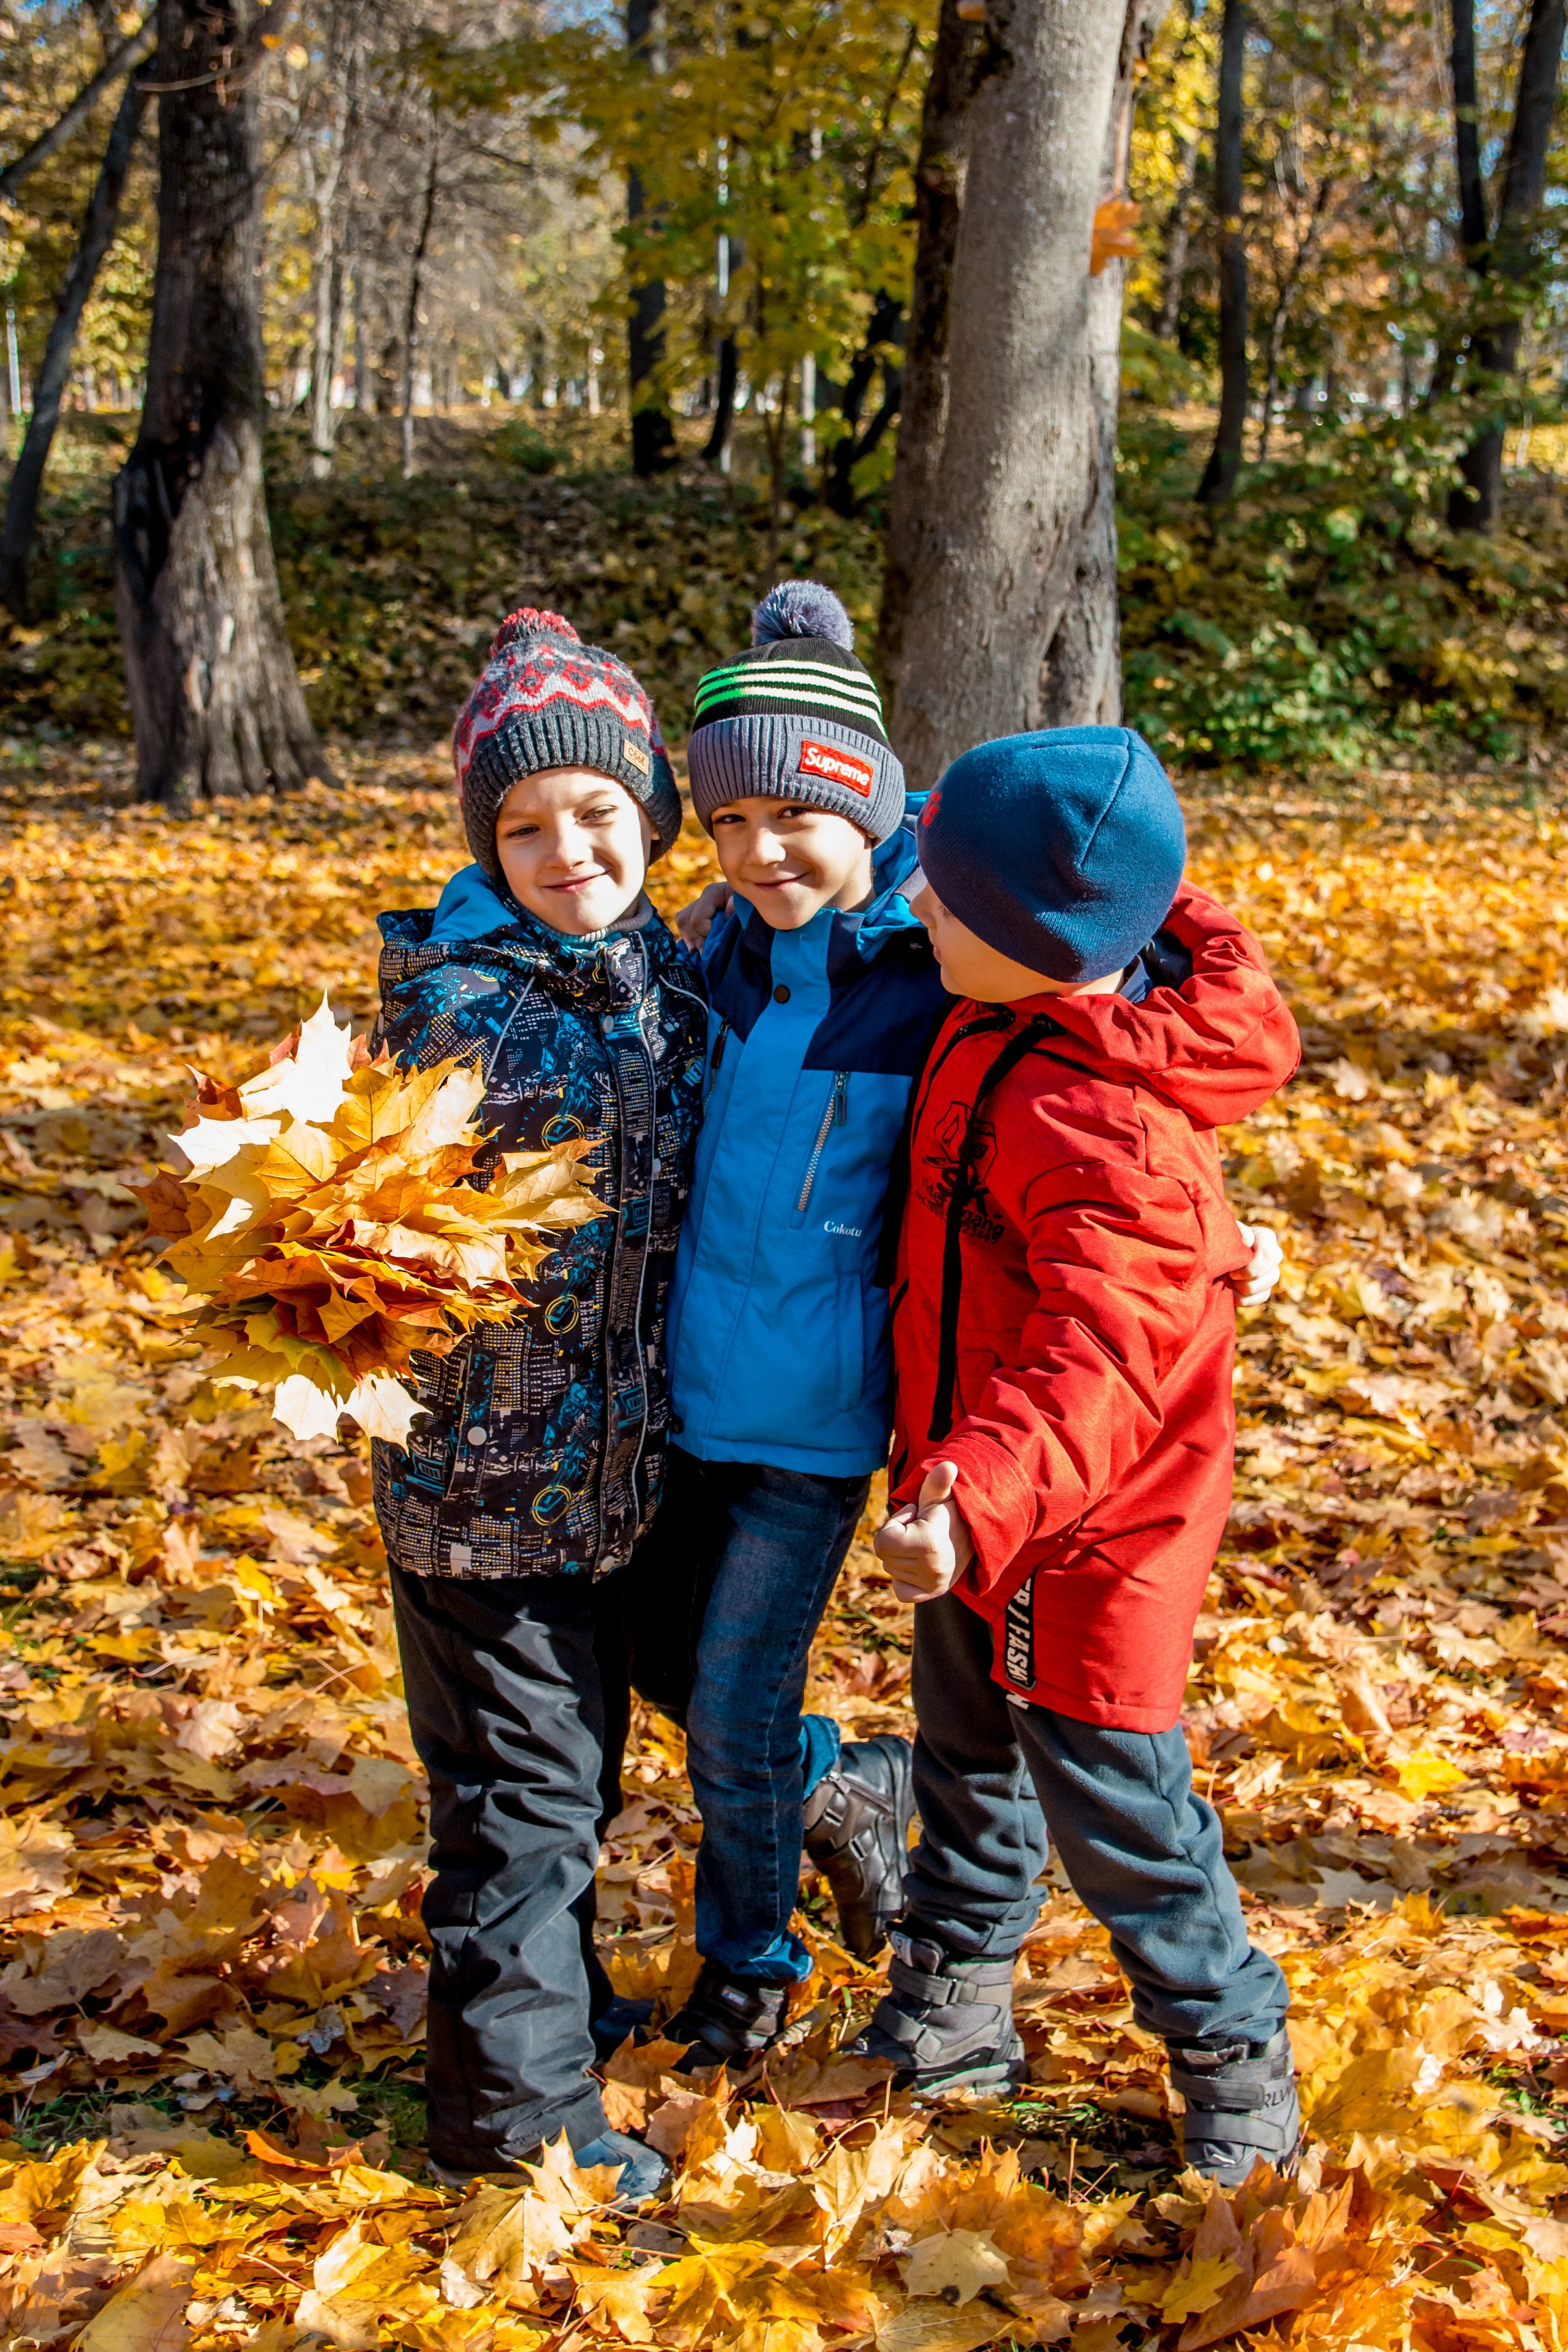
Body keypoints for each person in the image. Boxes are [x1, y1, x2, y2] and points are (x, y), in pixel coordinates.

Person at [853, 726, 1305, 2186]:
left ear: (1035, 939)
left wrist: (975, 1503)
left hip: (1082, 1534)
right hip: (971, 1494)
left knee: (1119, 1815)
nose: (913, 900)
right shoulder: (1009, 1008)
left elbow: (1098, 1361)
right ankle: (952, 2001)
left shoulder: (1105, 1126)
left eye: (942, 889)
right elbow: (1116, 886)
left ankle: (1234, 2063)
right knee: (963, 1761)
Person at [370, 609, 707, 2195]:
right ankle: (519, 2147)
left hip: (605, 1491)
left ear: (651, 812)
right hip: (482, 1502)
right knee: (521, 1810)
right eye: (524, 826)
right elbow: (362, 1215)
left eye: (598, 812)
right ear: (483, 844)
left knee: (564, 1780)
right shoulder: (460, 1007)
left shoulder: (662, 977)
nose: (567, 847)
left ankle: (541, 2018)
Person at [623, 581, 951, 2070]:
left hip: (815, 1426)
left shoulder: (927, 980)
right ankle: (840, 1784)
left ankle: (748, 1972)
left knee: (729, 1711)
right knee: (669, 1671)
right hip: (680, 1397)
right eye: (729, 823)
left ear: (869, 809)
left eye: (796, 819)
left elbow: (1105, 1045)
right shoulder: (711, 964)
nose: (761, 853)